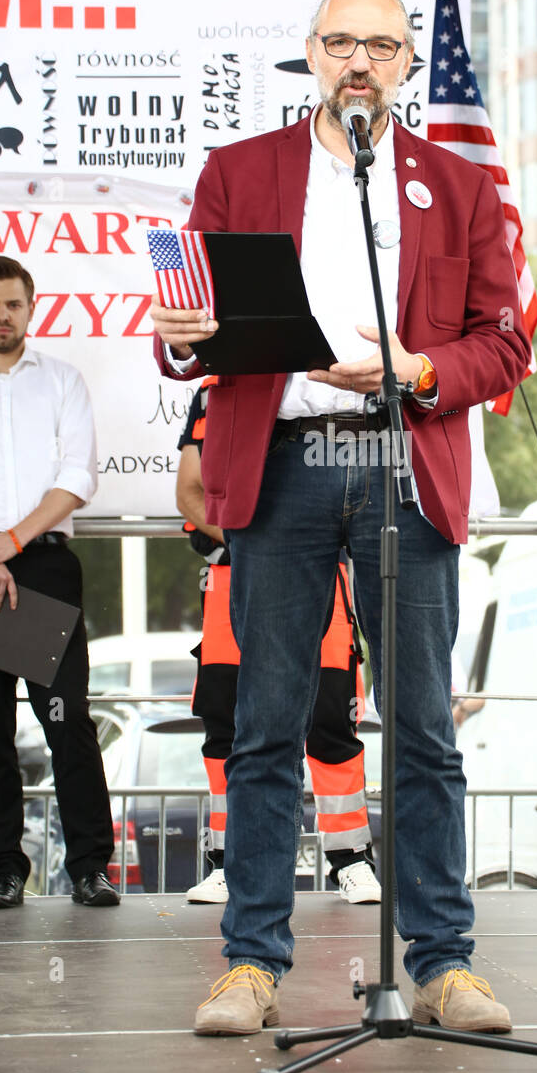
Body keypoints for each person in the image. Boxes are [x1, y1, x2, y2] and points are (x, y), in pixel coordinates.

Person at [150, 0, 531, 1036]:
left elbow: (505, 341)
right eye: (339, 42)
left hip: (404, 460)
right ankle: (251, 964)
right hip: (280, 464)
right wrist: (183, 333)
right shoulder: (238, 173)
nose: (358, 61)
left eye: (380, 45)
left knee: (419, 726)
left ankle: (444, 962)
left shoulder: (455, 188)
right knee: (266, 720)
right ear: (311, 55)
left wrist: (416, 368)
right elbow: (188, 335)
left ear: (406, 63)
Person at [0, 256, 117, 908]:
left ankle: (91, 866)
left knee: (67, 721)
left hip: (42, 562)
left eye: (13, 304)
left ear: (31, 308)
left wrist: (8, 543)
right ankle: (1, 870)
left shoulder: (61, 382)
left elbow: (77, 475)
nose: (2, 316)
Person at [176, 377, 380, 905]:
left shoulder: (323, 386)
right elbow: (190, 493)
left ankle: (352, 860)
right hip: (233, 573)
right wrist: (261, 543)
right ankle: (227, 863)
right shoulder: (213, 393)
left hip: (322, 574)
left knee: (332, 717)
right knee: (230, 722)